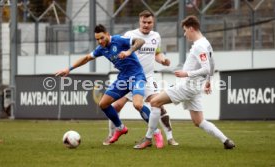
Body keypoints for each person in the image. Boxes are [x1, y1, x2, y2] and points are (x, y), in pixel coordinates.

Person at [134, 15, 235, 149]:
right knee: (199, 121)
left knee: (154, 102)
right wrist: (209, 81)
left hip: (187, 87)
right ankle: (226, 141)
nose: (184, 34)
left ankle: (147, 139)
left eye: (185, 30)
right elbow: (212, 63)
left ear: (191, 29)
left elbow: (206, 68)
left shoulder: (199, 46)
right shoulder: (206, 43)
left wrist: (185, 73)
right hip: (195, 88)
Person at [56, 24, 150, 144]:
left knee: (137, 104)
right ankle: (120, 128)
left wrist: (128, 51)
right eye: (97, 39)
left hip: (137, 76)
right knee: (103, 104)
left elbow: (140, 41)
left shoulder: (118, 40)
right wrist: (68, 69)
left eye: (101, 38)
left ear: (107, 34)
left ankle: (154, 132)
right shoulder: (101, 49)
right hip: (123, 78)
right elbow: (86, 58)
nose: (100, 41)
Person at [102, 10, 179, 148]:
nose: (146, 25)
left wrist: (163, 60)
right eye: (144, 22)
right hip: (130, 76)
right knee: (115, 106)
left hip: (147, 77)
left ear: (153, 23)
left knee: (158, 104)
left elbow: (157, 53)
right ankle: (111, 133)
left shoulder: (156, 36)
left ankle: (170, 137)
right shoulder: (130, 35)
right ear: (139, 21)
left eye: (149, 22)